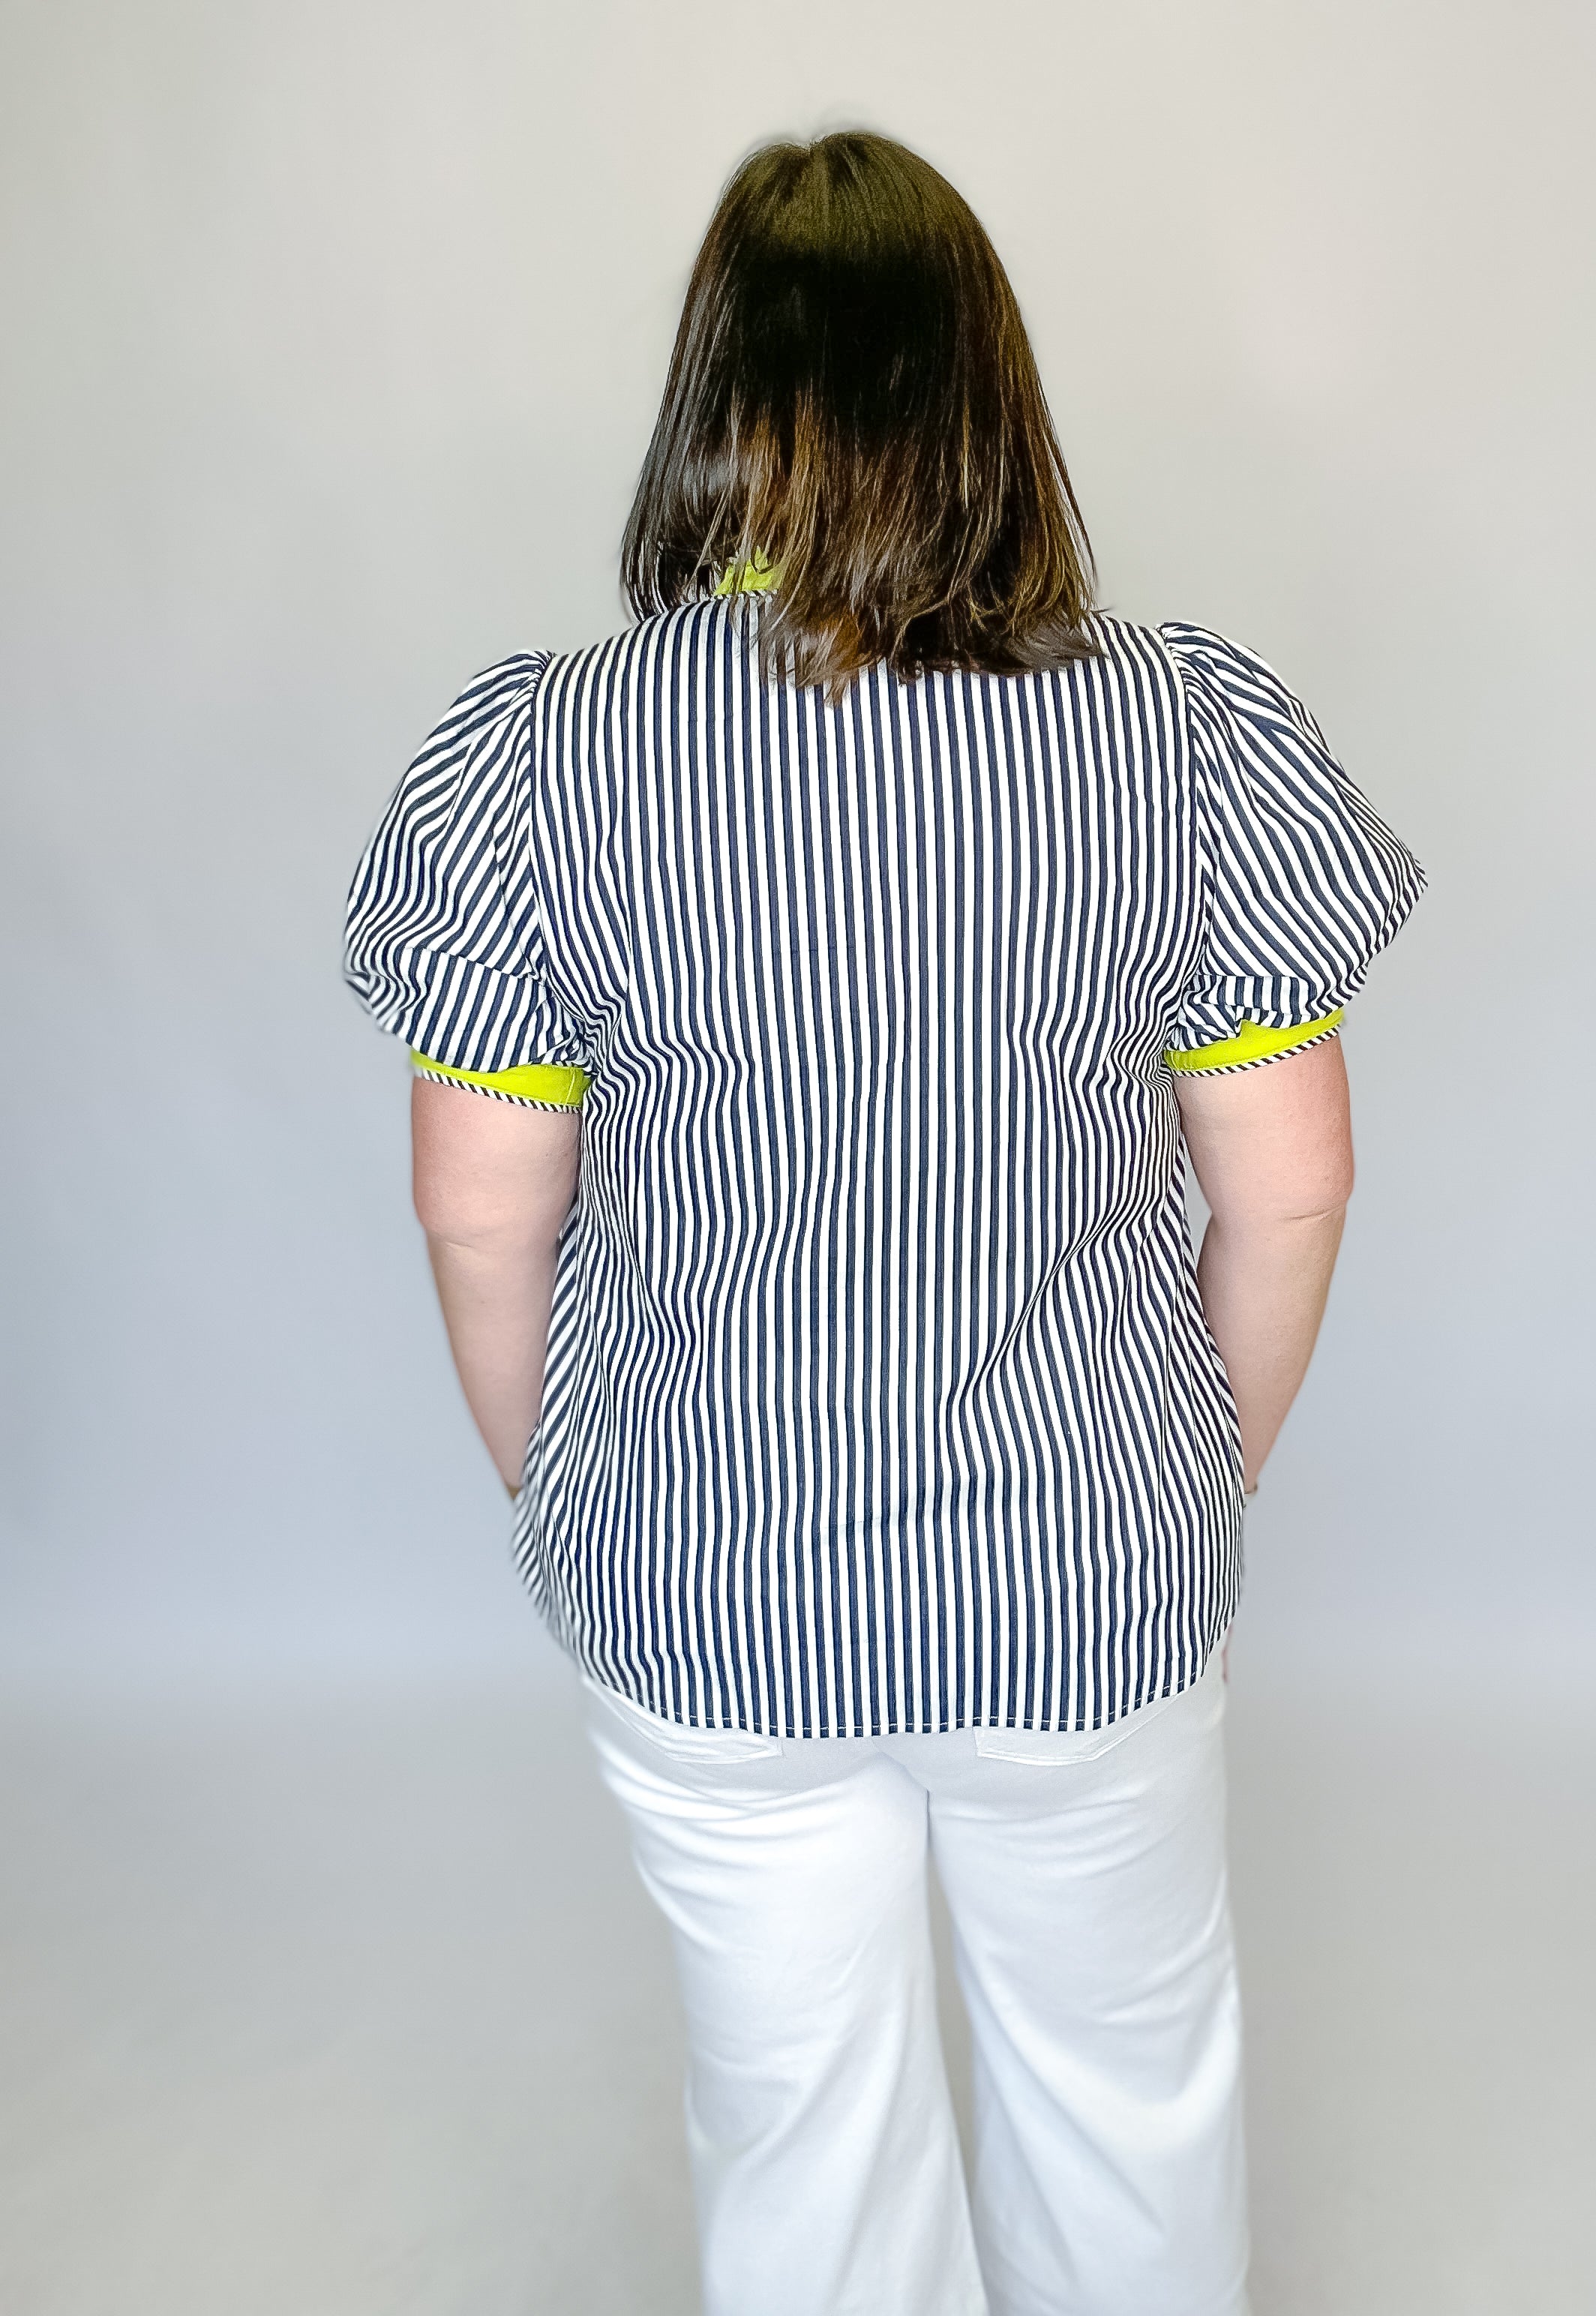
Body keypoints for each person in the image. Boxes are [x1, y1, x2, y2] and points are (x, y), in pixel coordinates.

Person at [344, 130, 1422, 2316]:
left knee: (795, 2117)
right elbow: (1291, 1180)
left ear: (716, 398)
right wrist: (1191, 1472)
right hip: (1089, 1565)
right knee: (1125, 2080)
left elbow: (477, 1222)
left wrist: (566, 1488)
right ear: (988, 395)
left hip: (699, 1572)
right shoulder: (1187, 738)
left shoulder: (536, 759)